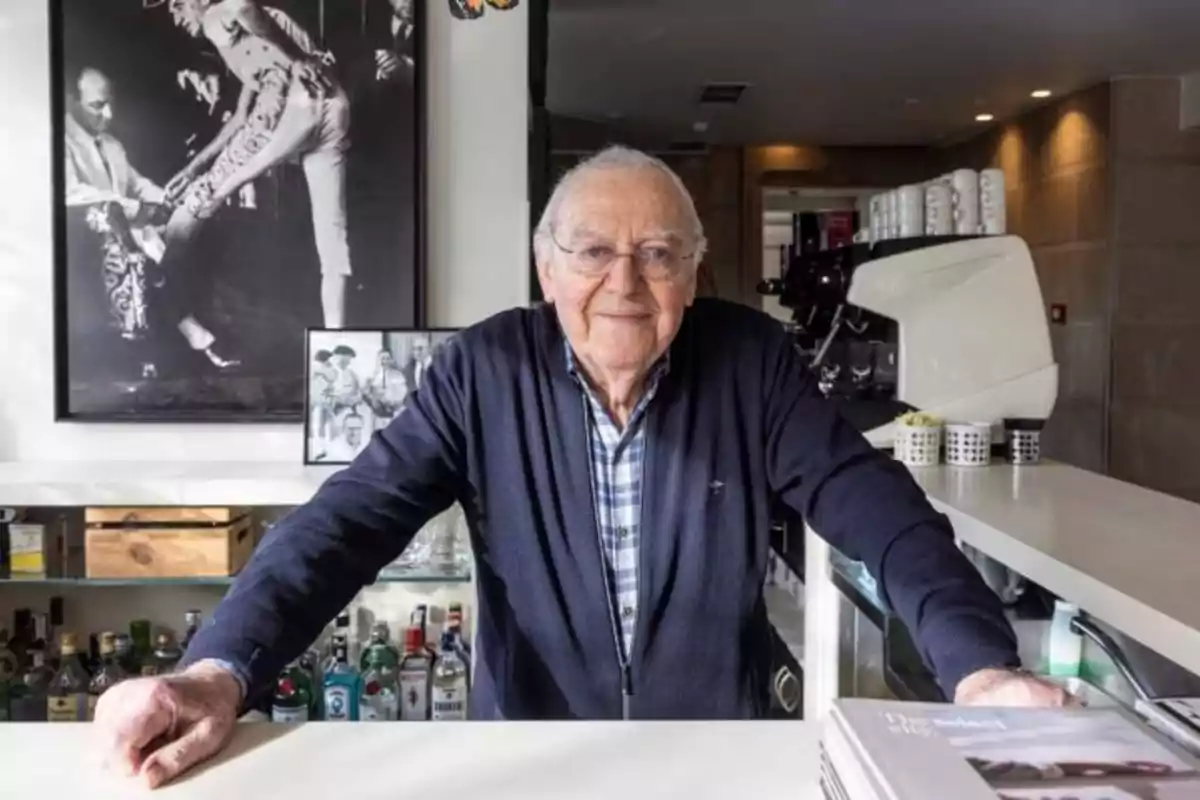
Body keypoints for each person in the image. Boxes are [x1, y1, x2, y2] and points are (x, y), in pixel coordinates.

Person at [94, 146, 1070, 789]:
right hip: (531, 763)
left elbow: (882, 512)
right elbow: (344, 523)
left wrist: (979, 666)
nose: (625, 283)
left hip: (711, 763)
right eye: (594, 250)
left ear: (693, 273)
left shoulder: (752, 363)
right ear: (546, 266)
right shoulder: (484, 370)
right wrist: (220, 669)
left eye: (657, 253)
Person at [162, 0, 353, 329]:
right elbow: (239, 118)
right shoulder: (255, 42)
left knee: (205, 198)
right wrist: (195, 166)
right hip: (334, 107)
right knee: (333, 242)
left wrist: (299, 59)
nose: (176, 18)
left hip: (298, 107)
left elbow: (243, 7)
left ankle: (167, 303)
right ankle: (336, 335)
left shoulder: (214, 15)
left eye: (178, 5)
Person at [63, 67, 233, 376]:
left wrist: (166, 199)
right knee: (146, 251)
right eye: (97, 106)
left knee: (184, 235)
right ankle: (178, 341)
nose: (109, 114)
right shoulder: (61, 140)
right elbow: (71, 192)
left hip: (131, 225)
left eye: (110, 103)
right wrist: (133, 208)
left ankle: (195, 335)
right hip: (92, 230)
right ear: (74, 102)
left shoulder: (111, 144)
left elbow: (137, 183)